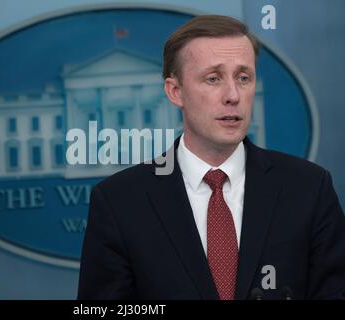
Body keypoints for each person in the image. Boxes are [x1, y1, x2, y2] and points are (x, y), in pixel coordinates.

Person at [77, 15, 345, 300]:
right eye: (213, 78)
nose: (232, 95)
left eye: (244, 78)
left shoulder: (309, 188)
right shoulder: (119, 202)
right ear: (175, 91)